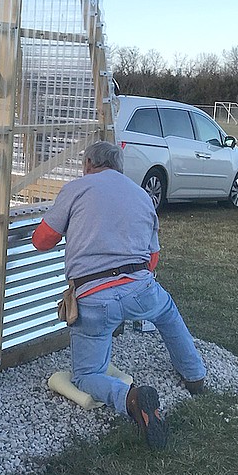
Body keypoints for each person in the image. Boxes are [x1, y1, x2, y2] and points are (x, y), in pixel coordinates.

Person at [31, 140, 206, 449]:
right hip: (141, 290)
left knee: (85, 375)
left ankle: (130, 399)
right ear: (120, 167)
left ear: (87, 164)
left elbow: (42, 240)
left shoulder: (77, 189)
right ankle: (194, 376)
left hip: (94, 298)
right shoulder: (142, 195)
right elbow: (152, 260)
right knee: (167, 314)